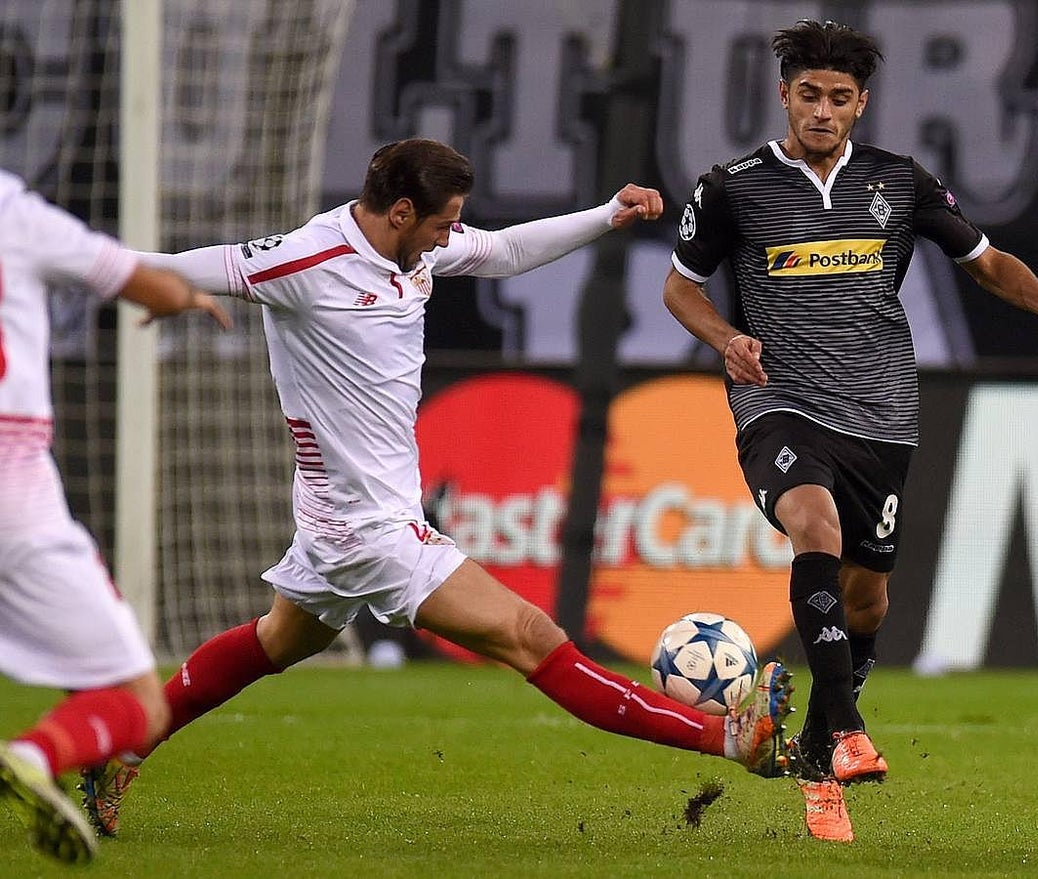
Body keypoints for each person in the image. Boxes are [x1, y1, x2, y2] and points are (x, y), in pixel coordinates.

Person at [78, 138, 795, 837]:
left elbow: (505, 253)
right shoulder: (306, 259)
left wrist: (605, 213)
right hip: (368, 530)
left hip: (343, 515)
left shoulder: (413, 249)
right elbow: (170, 264)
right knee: (531, 636)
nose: (452, 235)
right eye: (443, 221)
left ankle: (122, 741)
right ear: (398, 212)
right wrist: (41, 257)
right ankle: (725, 738)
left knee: (276, 641)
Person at [662, 20, 1038, 840]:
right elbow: (680, 287)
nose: (822, 111)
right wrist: (727, 340)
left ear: (860, 103)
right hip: (781, 400)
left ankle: (819, 757)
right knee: (811, 520)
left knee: (868, 598)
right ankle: (850, 728)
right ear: (784, 95)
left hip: (883, 412)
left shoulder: (900, 182)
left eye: (838, 97)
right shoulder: (732, 186)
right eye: (808, 95)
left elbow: (984, 260)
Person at [0, 169, 231, 864]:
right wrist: (182, 296)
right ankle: (34, 755)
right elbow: (142, 280)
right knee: (137, 699)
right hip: (14, 481)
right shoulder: (15, 211)